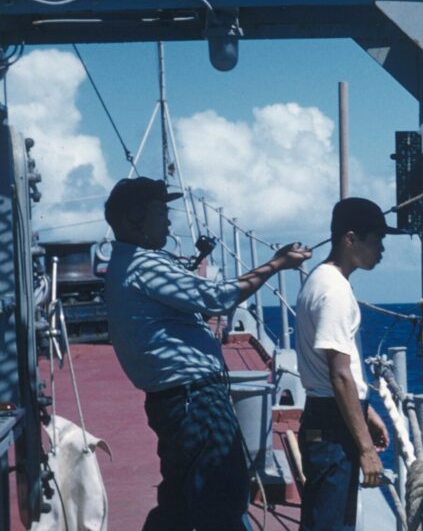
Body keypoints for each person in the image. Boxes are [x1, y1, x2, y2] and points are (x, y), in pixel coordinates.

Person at [103, 177, 311, 531]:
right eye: (160, 212)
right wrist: (275, 265)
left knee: (179, 504)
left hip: (176, 401)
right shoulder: (145, 265)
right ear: (133, 217)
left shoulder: (127, 264)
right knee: (224, 498)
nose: (169, 221)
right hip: (195, 401)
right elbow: (216, 298)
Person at [294, 197, 399, 531]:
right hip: (332, 427)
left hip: (327, 417)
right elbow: (338, 375)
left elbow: (339, 372)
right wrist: (366, 449)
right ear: (350, 239)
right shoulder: (334, 292)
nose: (381, 250)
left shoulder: (321, 280)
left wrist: (367, 412)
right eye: (376, 240)